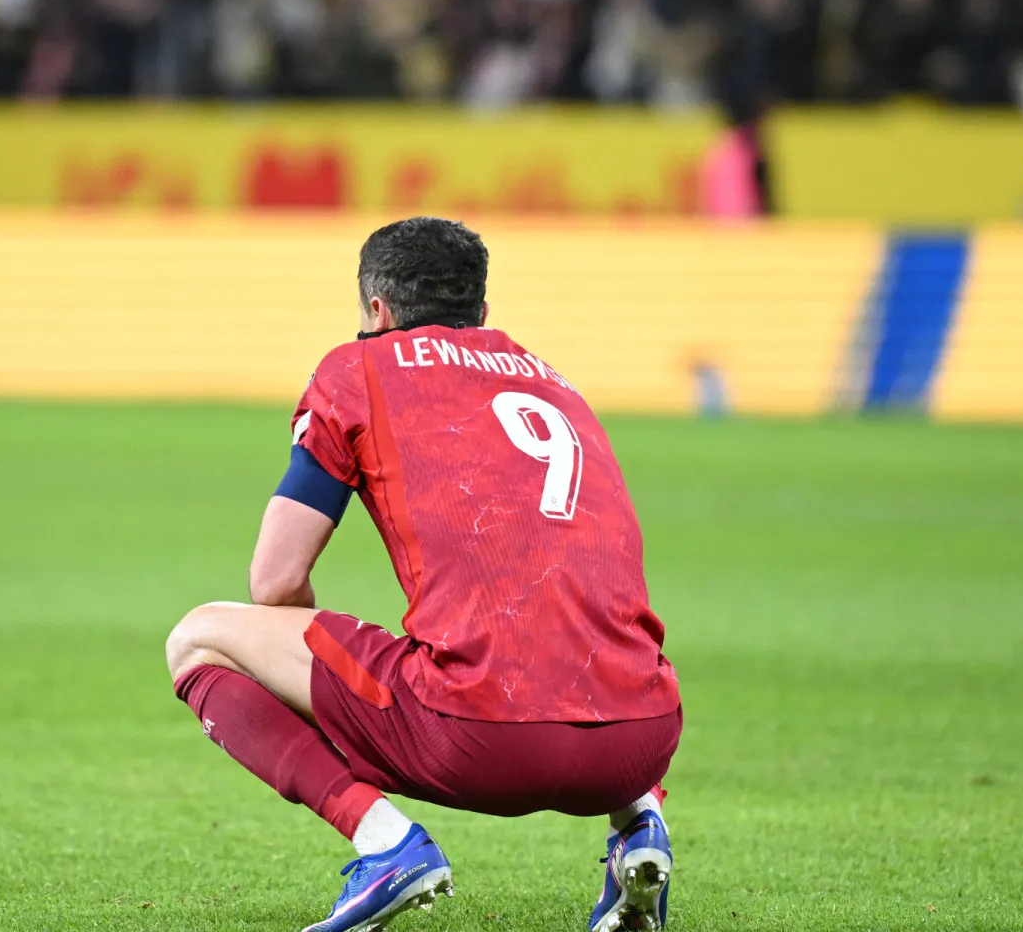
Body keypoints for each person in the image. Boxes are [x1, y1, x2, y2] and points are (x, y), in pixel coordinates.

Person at [166, 217, 683, 932]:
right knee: (579, 628)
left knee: (198, 639)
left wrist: (318, 687)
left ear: (377, 311)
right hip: (642, 740)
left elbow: (275, 583)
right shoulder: (558, 383)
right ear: (482, 311)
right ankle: (641, 828)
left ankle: (385, 844)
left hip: (485, 740)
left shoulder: (356, 369)